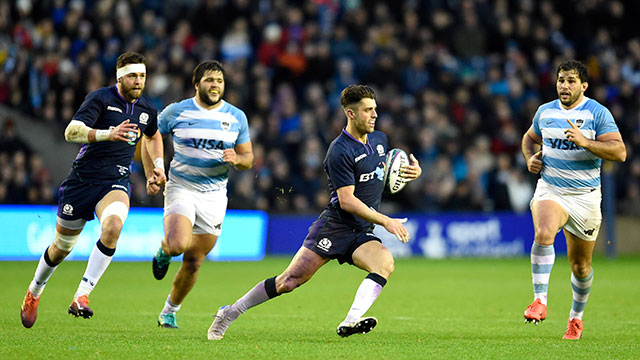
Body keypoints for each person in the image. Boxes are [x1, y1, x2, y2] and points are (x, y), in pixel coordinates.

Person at [206, 84, 422, 340]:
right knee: (289, 281)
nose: (375, 114)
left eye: (375, 109)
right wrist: (387, 221)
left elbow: (381, 174)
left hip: (360, 231)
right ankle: (230, 312)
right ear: (351, 114)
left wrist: (411, 174)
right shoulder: (339, 150)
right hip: (335, 226)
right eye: (368, 110)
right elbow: (347, 201)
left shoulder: (380, 140)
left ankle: (351, 320)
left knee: (385, 262)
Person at [20, 52, 166, 328]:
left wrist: (156, 166)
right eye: (133, 76)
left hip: (116, 181)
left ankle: (82, 295)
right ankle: (34, 292)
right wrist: (106, 133)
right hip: (82, 182)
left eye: (143, 76)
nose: (138, 81)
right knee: (61, 248)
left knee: (113, 227)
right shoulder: (100, 98)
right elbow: (71, 131)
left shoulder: (147, 109)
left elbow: (153, 134)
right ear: (120, 77)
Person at [521, 60, 626, 339]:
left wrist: (586, 142)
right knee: (544, 232)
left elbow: (619, 152)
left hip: (585, 198)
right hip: (551, 189)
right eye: (560, 80)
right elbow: (528, 139)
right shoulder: (545, 112)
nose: (564, 86)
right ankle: (539, 300)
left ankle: (575, 318)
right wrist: (529, 158)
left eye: (570, 81)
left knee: (581, 266)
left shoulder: (596, 113)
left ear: (584, 85)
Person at [150, 60, 254, 329]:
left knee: (194, 262)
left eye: (219, 81)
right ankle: (164, 251)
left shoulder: (236, 117)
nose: (215, 85)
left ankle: (169, 311)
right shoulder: (176, 111)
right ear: (197, 84)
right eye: (209, 80)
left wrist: (238, 159)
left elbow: (249, 158)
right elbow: (151, 137)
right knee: (177, 245)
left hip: (215, 196)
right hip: (181, 187)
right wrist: (154, 170)